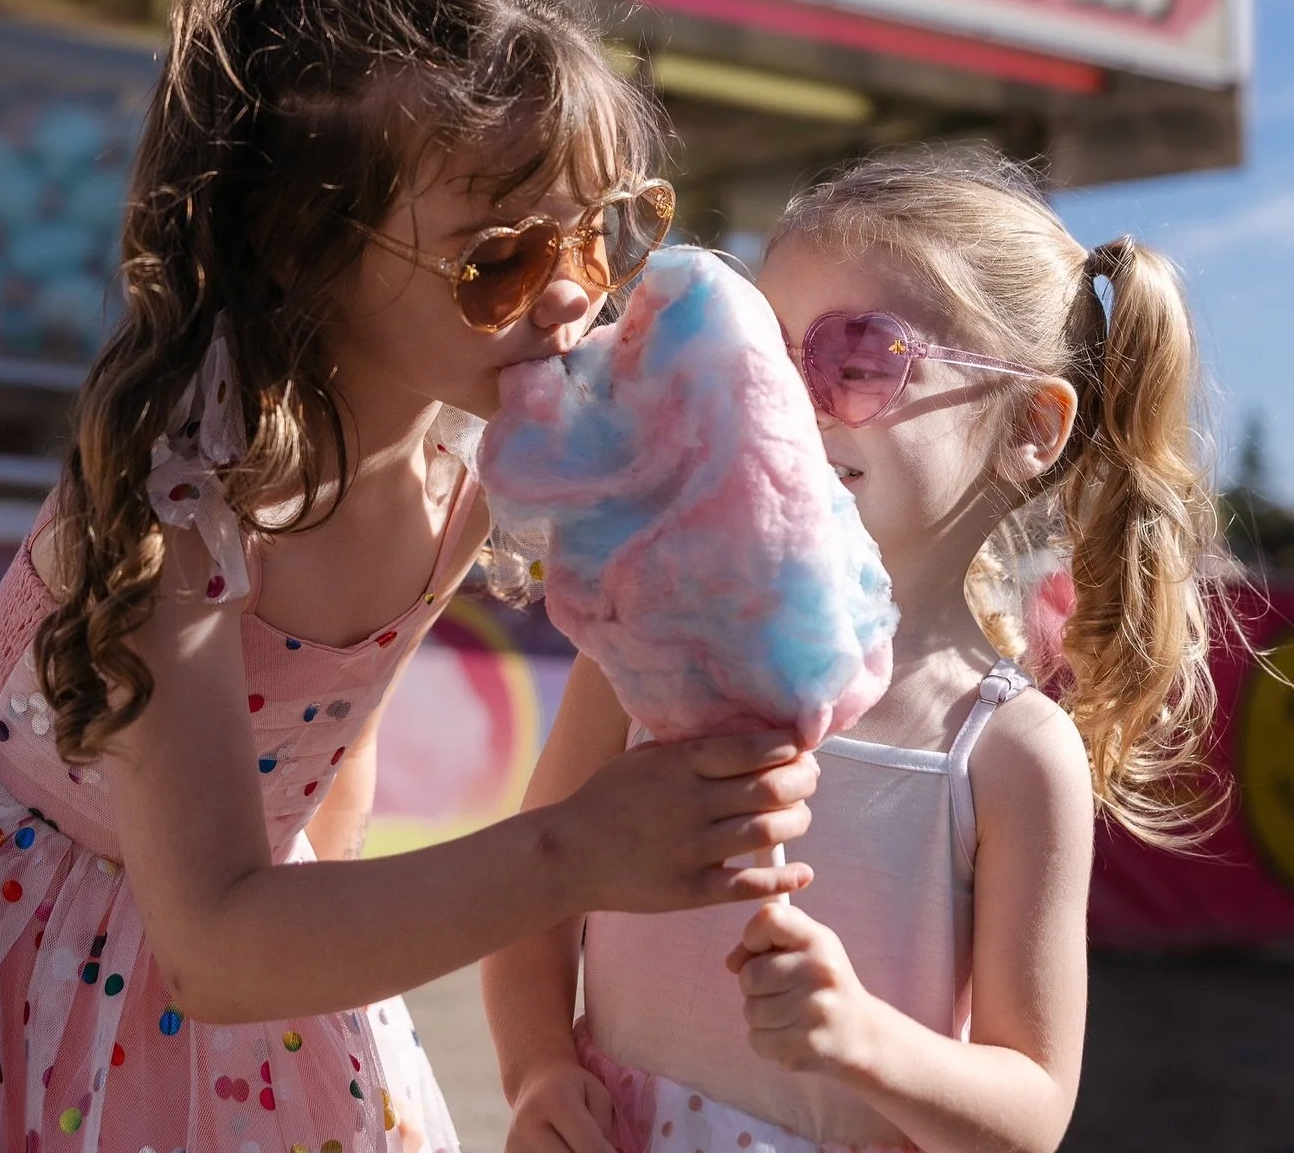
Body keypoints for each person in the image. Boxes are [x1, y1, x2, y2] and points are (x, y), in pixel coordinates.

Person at [0, 0, 819, 1152]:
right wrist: (574, 852)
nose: (576, 293)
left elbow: (337, 742)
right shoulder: (187, 501)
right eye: (502, 259)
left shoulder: (468, 461)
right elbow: (214, 946)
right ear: (304, 247)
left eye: (605, 231)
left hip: (249, 917)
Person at [484, 147, 1222, 1153]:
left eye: (858, 359)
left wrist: (863, 1040)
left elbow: (1032, 1110)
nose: (790, 401)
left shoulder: (1008, 752)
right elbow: (529, 892)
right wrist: (538, 1069)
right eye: (765, 354)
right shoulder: (636, 641)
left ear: (1031, 426)